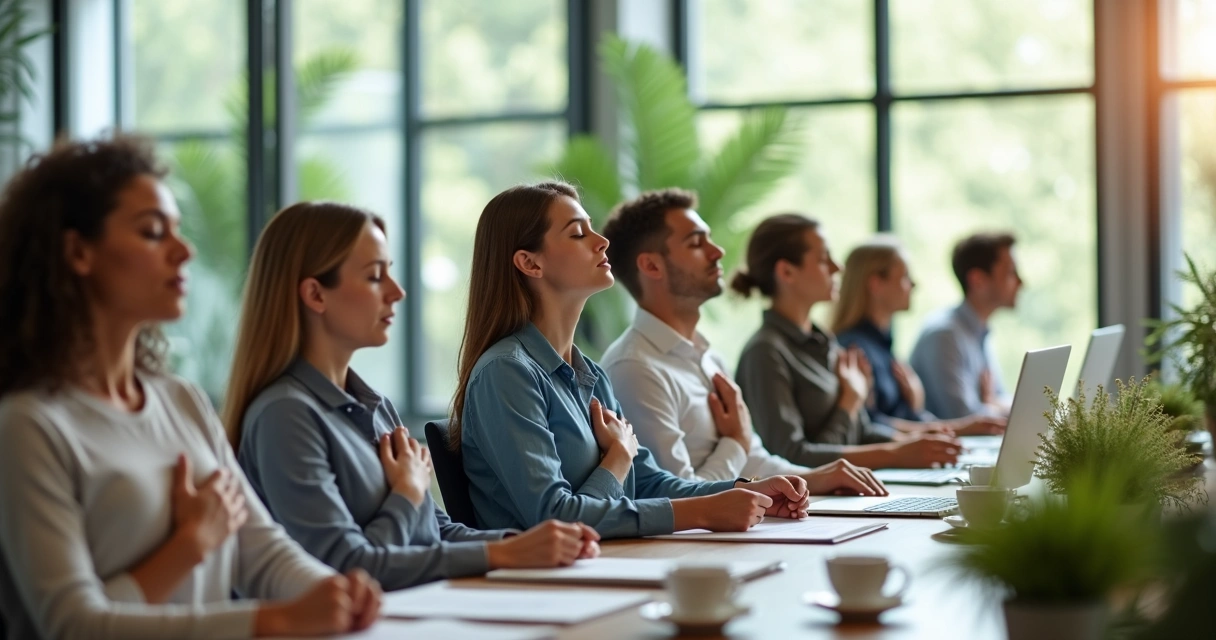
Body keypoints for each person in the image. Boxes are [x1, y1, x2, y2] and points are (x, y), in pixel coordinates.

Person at [0, 137, 380, 639]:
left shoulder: (181, 399)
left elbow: (260, 550)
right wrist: (196, 549)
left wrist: (334, 592)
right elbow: (70, 626)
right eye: (153, 233)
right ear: (78, 251)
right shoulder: (29, 425)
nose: (185, 251)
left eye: (177, 231)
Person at [226, 202, 600, 593]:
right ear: (316, 295)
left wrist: (520, 544)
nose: (396, 291)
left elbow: (436, 531)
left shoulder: (376, 406)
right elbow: (345, 568)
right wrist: (408, 493)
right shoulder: (284, 415)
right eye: (375, 276)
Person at [450, 182, 812, 539]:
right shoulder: (506, 372)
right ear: (530, 263)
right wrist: (620, 459)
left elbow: (649, 483)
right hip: (541, 587)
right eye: (578, 234)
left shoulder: (590, 374)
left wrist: (746, 491)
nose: (601, 240)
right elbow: (554, 519)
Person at [598, 188, 886, 495]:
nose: (717, 251)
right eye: (696, 243)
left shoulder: (709, 358)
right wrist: (734, 442)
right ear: (652, 266)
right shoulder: (634, 368)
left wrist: (820, 478)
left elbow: (755, 461)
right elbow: (677, 496)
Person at [732, 214, 963, 470]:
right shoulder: (765, 352)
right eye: (823, 259)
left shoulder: (825, 343)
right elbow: (791, 457)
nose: (837, 268)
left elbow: (862, 431)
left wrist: (915, 443)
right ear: (786, 272)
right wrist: (853, 405)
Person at [832, 236, 1006, 435]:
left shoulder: (882, 346)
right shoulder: (854, 349)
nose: (914, 284)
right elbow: (868, 425)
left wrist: (916, 405)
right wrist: (959, 429)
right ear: (876, 284)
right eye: (905, 276)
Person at [908, 232, 1021, 419]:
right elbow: (964, 417)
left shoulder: (978, 332)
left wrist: (992, 405)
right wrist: (992, 406)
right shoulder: (944, 336)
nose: (1020, 282)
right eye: (1011, 272)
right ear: (977, 280)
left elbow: (998, 398)